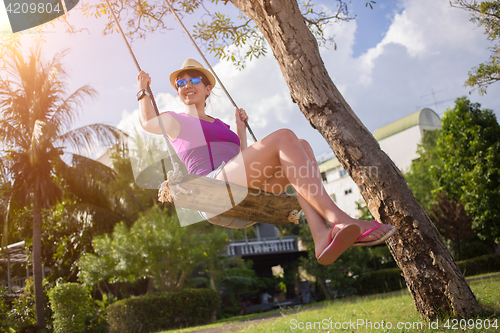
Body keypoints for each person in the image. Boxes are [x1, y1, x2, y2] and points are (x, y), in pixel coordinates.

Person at [137, 59, 396, 265]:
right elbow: (148, 121)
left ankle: (319, 236)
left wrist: (239, 129)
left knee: (303, 146)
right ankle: (337, 218)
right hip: (212, 191)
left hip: (244, 195)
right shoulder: (176, 121)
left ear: (207, 89)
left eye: (193, 79)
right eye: (180, 83)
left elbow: (241, 161)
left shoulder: (224, 127)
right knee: (284, 136)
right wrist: (142, 90)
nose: (186, 85)